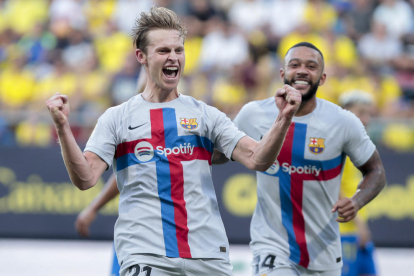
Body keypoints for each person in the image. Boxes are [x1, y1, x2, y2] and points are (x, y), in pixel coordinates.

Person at [46, 7, 302, 276]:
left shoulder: (206, 115)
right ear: (141, 57)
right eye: (163, 51)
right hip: (146, 256)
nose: (174, 57)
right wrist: (63, 127)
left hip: (208, 256)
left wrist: (284, 118)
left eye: (178, 50)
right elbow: (85, 178)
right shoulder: (116, 118)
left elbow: (258, 158)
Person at [228, 42, 386, 276]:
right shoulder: (253, 115)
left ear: (322, 78)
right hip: (272, 244)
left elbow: (377, 171)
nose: (302, 70)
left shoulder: (343, 122)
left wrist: (356, 201)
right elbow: (218, 154)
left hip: (324, 251)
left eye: (311, 66)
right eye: (295, 64)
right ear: (283, 74)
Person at [338, 91, 378, 276]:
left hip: (356, 231)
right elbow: (334, 188)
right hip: (345, 232)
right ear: (345, 112)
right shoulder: (337, 145)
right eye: (361, 112)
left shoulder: (359, 146)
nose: (366, 119)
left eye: (369, 113)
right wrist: (360, 225)